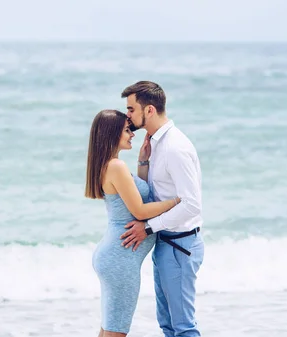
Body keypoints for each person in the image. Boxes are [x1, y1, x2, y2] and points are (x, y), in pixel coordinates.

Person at [85, 109, 181, 337]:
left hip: (114, 256)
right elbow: (139, 210)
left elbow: (139, 196)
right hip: (120, 259)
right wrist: (177, 201)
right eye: (127, 130)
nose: (132, 134)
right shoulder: (115, 167)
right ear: (111, 134)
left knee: (110, 329)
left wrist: (143, 161)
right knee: (116, 331)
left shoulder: (109, 165)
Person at [120, 81, 205, 337]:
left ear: (149, 110)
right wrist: (143, 161)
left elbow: (191, 205)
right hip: (166, 243)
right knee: (167, 326)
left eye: (131, 109)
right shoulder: (156, 143)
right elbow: (154, 194)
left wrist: (147, 228)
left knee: (183, 328)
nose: (127, 115)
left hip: (180, 246)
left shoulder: (174, 147)